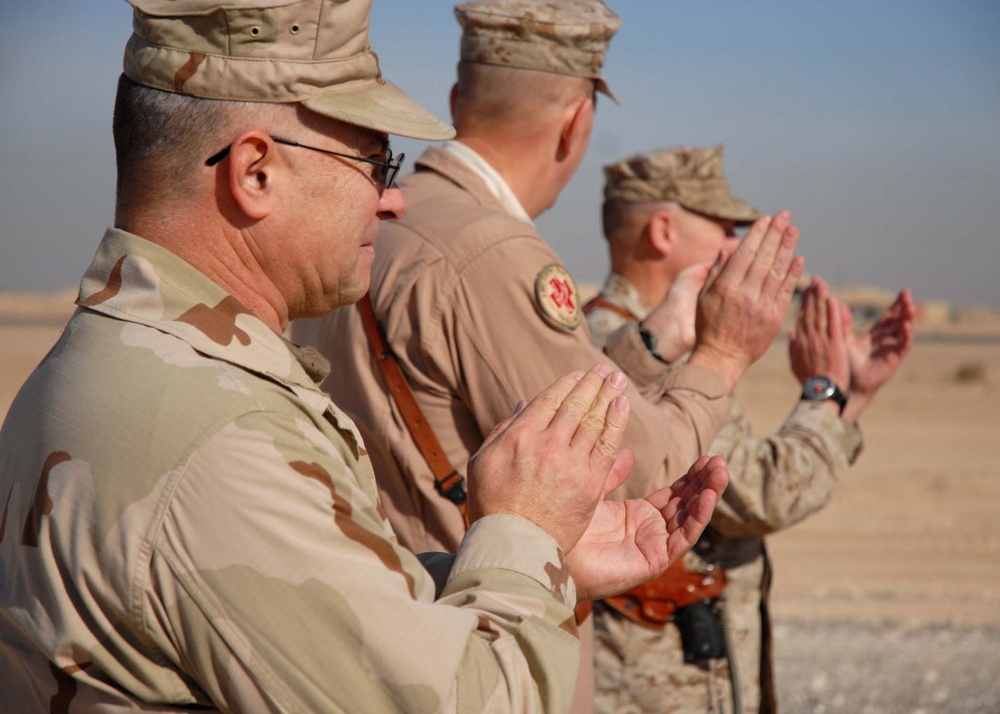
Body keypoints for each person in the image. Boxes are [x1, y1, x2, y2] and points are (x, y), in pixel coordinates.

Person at [0, 2, 732, 711]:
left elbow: (281, 596)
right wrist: (524, 533)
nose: (393, 201)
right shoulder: (217, 438)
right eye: (375, 162)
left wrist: (544, 566)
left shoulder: (118, 363)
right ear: (254, 172)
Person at [289, 2, 805, 710]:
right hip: (474, 646)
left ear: (456, 101)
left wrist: (651, 344)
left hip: (381, 618)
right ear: (577, 124)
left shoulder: (384, 218)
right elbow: (626, 474)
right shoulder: (494, 252)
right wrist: (722, 354)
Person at [586, 145, 915, 713]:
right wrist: (824, 393)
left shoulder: (637, 336)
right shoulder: (642, 352)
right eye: (723, 228)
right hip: (654, 683)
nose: (736, 247)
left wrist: (847, 397)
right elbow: (757, 493)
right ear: (662, 231)